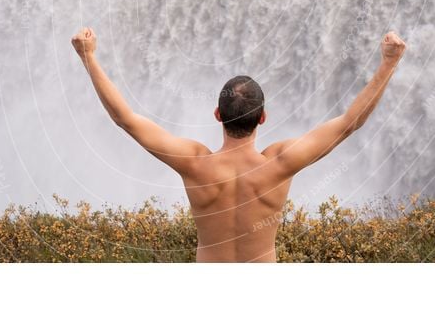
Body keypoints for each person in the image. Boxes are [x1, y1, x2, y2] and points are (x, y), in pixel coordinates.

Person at [71, 27, 406, 262]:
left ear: (217, 114)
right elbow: (350, 123)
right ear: (263, 118)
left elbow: (125, 119)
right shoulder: (279, 164)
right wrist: (389, 62)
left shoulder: (194, 163)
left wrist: (89, 57)